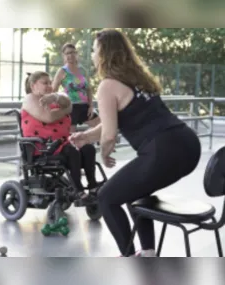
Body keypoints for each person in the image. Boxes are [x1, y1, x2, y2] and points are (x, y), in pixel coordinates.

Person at [69, 29, 201, 257]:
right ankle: (148, 253)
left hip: (163, 150)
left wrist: (104, 152)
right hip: (188, 145)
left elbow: (110, 135)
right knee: (132, 190)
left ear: (104, 54)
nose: (91, 55)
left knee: (107, 197)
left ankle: (129, 257)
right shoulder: (138, 79)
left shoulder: (108, 85)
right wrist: (87, 136)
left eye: (94, 51)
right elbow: (114, 122)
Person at [22, 71, 101, 203]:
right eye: (45, 83)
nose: (49, 85)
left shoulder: (51, 98)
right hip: (43, 147)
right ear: (33, 85)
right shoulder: (30, 99)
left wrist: (55, 97)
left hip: (62, 142)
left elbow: (68, 103)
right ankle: (78, 190)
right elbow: (49, 117)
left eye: (50, 82)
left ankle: (93, 186)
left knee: (88, 149)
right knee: (73, 152)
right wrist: (65, 110)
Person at [52, 43, 100, 133]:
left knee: (100, 124)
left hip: (84, 107)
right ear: (63, 56)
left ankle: (90, 143)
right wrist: (59, 105)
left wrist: (91, 106)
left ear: (76, 54)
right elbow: (54, 90)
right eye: (68, 53)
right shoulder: (62, 71)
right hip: (71, 107)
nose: (71, 55)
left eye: (73, 52)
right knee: (72, 136)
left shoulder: (83, 70)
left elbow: (88, 89)